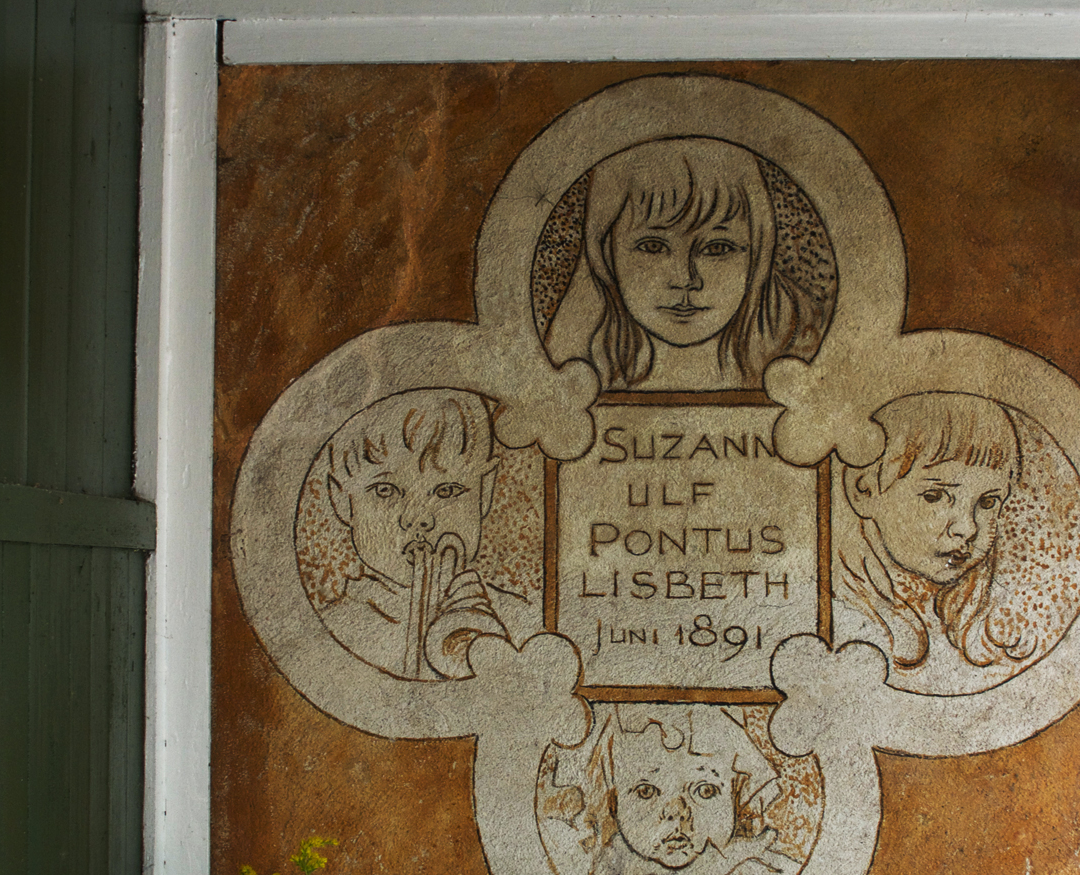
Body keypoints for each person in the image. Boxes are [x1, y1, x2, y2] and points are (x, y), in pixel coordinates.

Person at [544, 137, 827, 392]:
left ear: (757, 253)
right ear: (605, 253)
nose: (686, 279)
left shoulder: (799, 350)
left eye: (717, 248)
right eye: (653, 247)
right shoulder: (578, 369)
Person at [319, 387, 533, 680]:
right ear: (341, 500)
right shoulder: (332, 631)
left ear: (485, 490)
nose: (418, 518)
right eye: (385, 490)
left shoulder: (523, 623)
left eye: (447, 490)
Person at [539, 702, 799, 875]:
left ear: (736, 796)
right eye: (646, 791)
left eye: (705, 790)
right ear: (614, 803)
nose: (677, 813)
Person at [836, 392, 1035, 689]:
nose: (967, 528)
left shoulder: (991, 628)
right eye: (936, 496)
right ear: (865, 491)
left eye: (988, 502)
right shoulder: (844, 616)